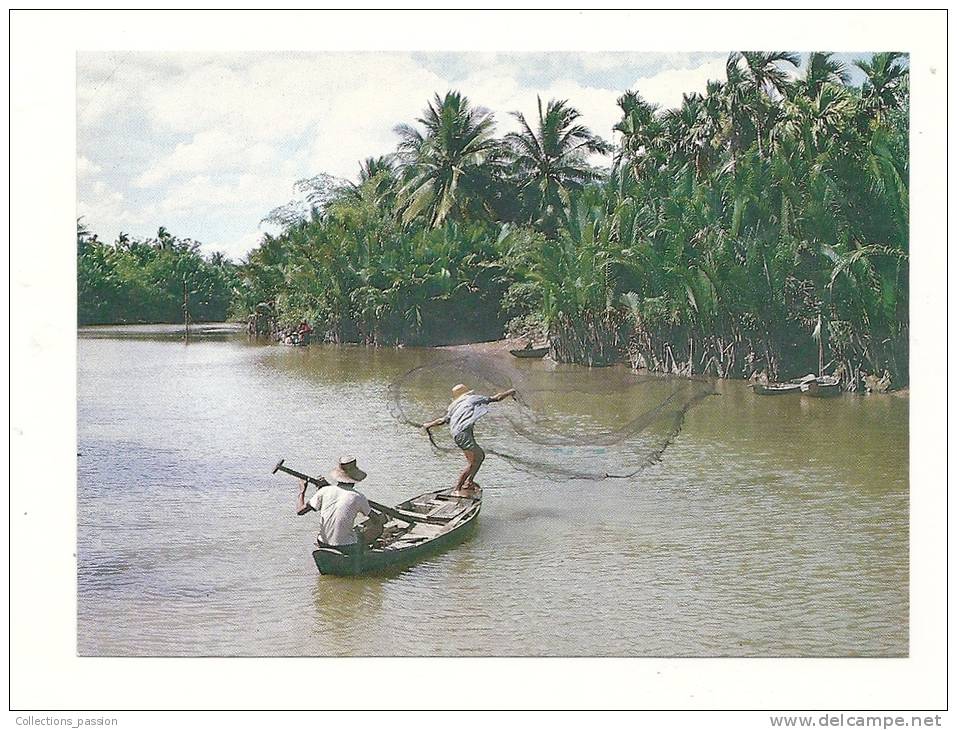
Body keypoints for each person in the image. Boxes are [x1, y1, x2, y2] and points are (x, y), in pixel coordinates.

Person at [423, 383, 516, 493]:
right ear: (466, 393)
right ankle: (458, 488)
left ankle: (469, 482)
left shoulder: (454, 406)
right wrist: (510, 392)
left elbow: (442, 420)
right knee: (478, 457)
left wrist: (429, 424)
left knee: (474, 460)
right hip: (463, 434)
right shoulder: (472, 399)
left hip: (457, 434)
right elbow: (496, 398)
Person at [296, 456, 386, 553]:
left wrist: (302, 491)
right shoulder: (358, 497)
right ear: (355, 478)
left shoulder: (324, 491)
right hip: (347, 547)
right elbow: (376, 520)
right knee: (378, 526)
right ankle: (362, 550)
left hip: (322, 542)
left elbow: (300, 511)